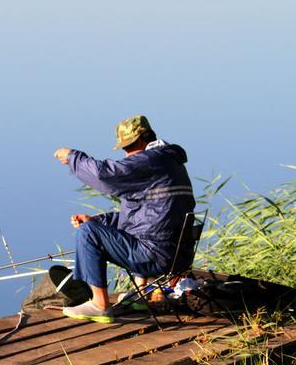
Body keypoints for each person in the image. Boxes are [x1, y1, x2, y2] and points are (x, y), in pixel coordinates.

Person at [53, 115, 195, 323]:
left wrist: (73, 157)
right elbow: (146, 216)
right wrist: (98, 220)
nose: (126, 153)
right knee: (94, 226)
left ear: (143, 139)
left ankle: (100, 305)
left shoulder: (150, 160)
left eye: (129, 146)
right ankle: (142, 293)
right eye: (124, 148)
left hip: (155, 256)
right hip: (177, 256)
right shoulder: (170, 162)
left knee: (87, 233)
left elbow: (104, 175)